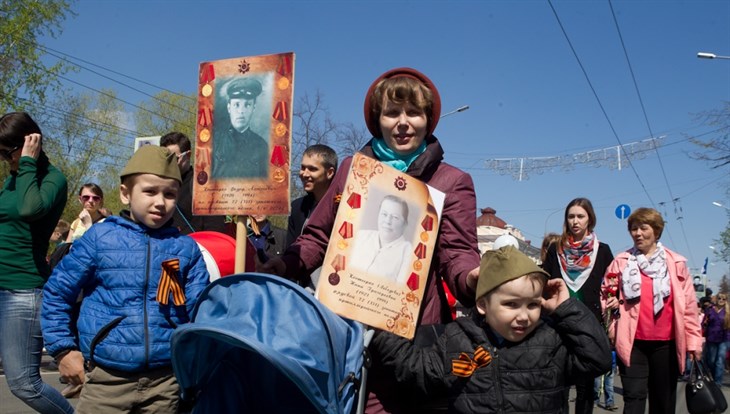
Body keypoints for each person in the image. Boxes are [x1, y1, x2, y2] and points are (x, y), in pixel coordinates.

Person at [263, 67, 481, 413]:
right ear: (377, 119)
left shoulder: (451, 181)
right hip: (345, 328)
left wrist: (472, 278)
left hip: (411, 338)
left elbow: (458, 252)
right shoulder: (352, 169)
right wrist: (285, 263)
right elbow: (318, 235)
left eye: (414, 113)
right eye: (392, 113)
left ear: (429, 119)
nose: (403, 122)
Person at [41, 145, 210, 413]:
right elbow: (57, 293)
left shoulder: (186, 248)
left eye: (170, 194)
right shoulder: (100, 239)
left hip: (166, 383)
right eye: (149, 191)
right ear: (125, 194)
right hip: (105, 382)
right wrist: (62, 349)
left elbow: (200, 311)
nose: (160, 202)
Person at [369, 246, 612, 413]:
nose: (524, 316)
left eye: (533, 304)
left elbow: (597, 359)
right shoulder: (459, 339)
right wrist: (381, 326)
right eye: (511, 304)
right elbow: (418, 370)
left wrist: (566, 308)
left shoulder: (550, 340)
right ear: (483, 304)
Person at [0, 112, 73, 413]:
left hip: (23, 291)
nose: (6, 160)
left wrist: (28, 161)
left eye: (7, 152)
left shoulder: (52, 179)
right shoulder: (14, 178)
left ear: (31, 142)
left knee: (24, 383)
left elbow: (31, 209)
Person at [602, 207, 702, 414]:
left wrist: (693, 341)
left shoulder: (676, 263)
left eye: (643, 228)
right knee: (633, 399)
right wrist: (611, 319)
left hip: (667, 344)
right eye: (633, 229)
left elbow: (690, 307)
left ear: (656, 231)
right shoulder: (621, 262)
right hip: (632, 344)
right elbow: (606, 294)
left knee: (663, 402)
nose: (637, 233)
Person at [541, 197, 613, 414]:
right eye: (571, 216)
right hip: (558, 323)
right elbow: (545, 281)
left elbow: (612, 284)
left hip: (588, 325)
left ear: (590, 219)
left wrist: (614, 298)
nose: (575, 221)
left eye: (580, 216)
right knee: (558, 381)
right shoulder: (556, 249)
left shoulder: (603, 251)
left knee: (586, 387)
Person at [160, 131, 231, 235]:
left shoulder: (203, 186)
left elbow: (215, 230)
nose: (168, 163)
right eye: (165, 159)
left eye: (174, 158)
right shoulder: (159, 186)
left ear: (188, 155)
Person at [212, 77, 269, 179]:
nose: (241, 111)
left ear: (253, 108)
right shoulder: (214, 141)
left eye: (247, 105)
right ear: (229, 107)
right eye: (236, 105)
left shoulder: (261, 146)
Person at [350, 195, 413, 284]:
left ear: (405, 224)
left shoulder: (408, 252)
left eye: (395, 217)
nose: (387, 221)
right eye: (384, 214)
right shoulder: (360, 235)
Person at [286, 144, 338, 248]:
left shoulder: (342, 206)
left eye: (312, 169)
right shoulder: (297, 207)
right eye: (303, 167)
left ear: (329, 173)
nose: (304, 174)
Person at [703, 292, 730, 385]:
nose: (721, 300)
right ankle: (714, 377)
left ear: (726, 300)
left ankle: (718, 383)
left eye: (723, 299)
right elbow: (704, 323)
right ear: (716, 299)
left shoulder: (728, 311)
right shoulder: (710, 310)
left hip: (724, 339)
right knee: (711, 361)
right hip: (711, 338)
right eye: (719, 298)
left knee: (720, 361)